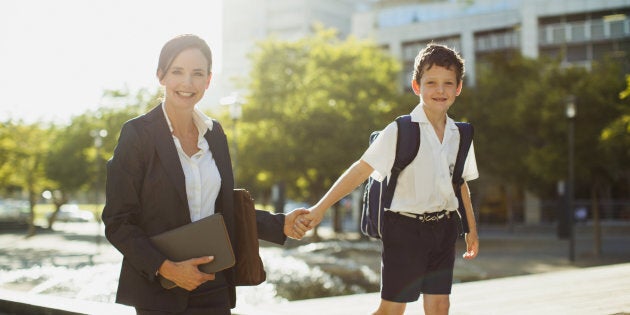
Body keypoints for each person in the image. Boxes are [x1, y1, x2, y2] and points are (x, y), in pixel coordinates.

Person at [102, 34, 309, 315]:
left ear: (209, 80)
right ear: (161, 76)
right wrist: (168, 269)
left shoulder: (215, 134)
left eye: (197, 74)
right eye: (177, 72)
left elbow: (223, 209)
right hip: (161, 290)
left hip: (214, 284)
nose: (187, 83)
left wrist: (280, 224)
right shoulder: (137, 135)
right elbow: (118, 221)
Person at [300, 43, 479, 315]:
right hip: (404, 229)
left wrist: (471, 229)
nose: (439, 90)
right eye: (431, 82)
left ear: (458, 88)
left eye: (447, 83)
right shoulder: (400, 130)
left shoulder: (461, 134)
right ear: (416, 86)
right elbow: (360, 170)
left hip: (443, 229)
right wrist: (320, 209)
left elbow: (460, 183)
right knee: (392, 309)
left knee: (440, 306)